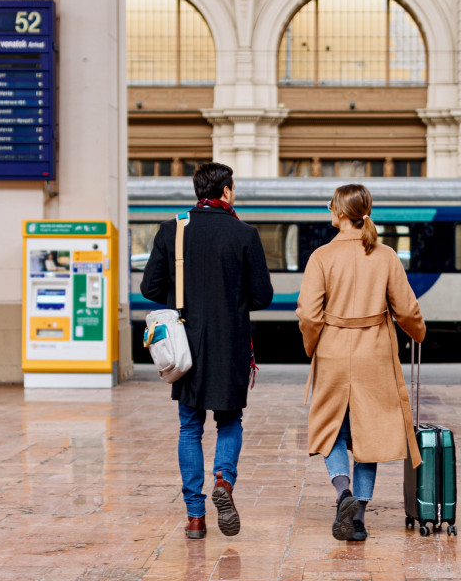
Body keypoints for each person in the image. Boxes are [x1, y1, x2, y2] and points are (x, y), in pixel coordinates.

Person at [140, 162, 274, 540]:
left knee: (189, 426)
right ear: (227, 191)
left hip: (186, 346)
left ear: (198, 191)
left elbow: (150, 288)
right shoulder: (244, 233)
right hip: (230, 344)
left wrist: (182, 295)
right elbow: (263, 296)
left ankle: (196, 518)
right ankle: (224, 480)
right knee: (229, 422)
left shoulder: (173, 231)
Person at [295, 183, 426, 542]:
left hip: (333, 351)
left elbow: (308, 314)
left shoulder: (321, 256)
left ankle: (343, 493)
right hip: (375, 352)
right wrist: (418, 333)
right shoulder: (385, 256)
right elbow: (407, 309)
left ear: (339, 213)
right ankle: (358, 519)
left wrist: (313, 345)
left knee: (330, 427)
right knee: (370, 431)